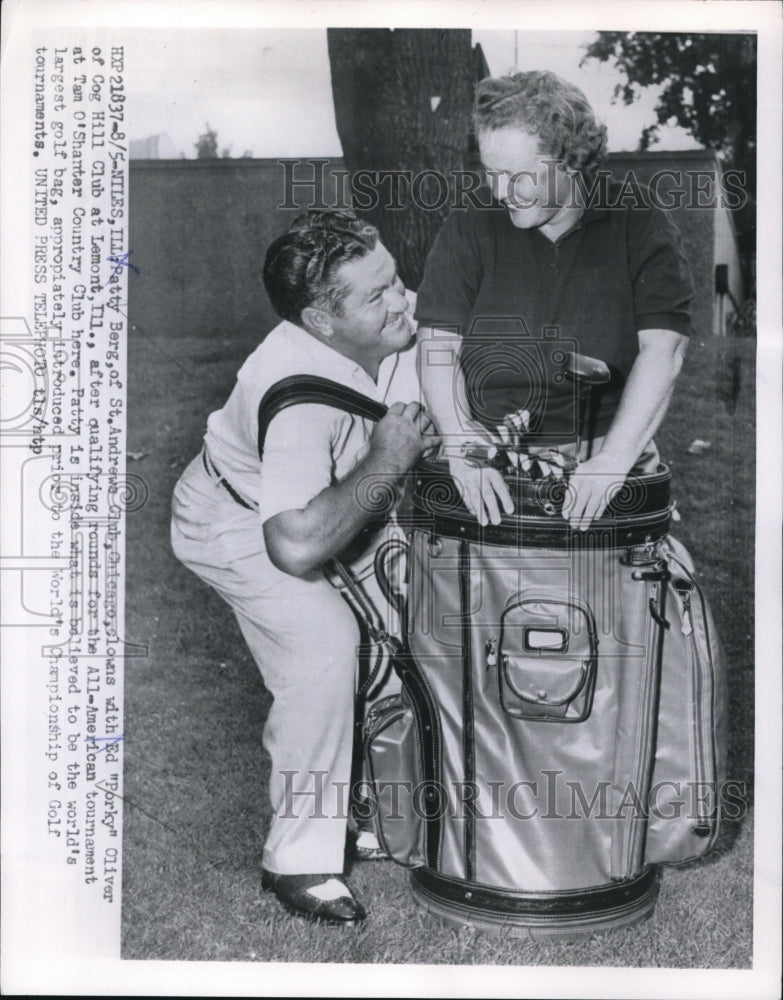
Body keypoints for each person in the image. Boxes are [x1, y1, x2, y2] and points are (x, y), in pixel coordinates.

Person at [170, 210, 437, 925]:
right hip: (235, 520)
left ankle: (371, 806)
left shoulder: (386, 330)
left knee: (417, 615)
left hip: (325, 502)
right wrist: (389, 458)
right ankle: (299, 859)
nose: (402, 299)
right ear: (321, 320)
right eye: (378, 295)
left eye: (395, 280)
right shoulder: (296, 394)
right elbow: (291, 545)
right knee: (323, 643)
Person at [416, 70, 694, 527]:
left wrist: (613, 460)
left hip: (608, 447)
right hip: (488, 449)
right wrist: (460, 442)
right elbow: (436, 344)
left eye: (517, 176)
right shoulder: (468, 226)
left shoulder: (641, 223)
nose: (500, 192)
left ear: (571, 160)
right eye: (491, 173)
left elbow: (663, 351)